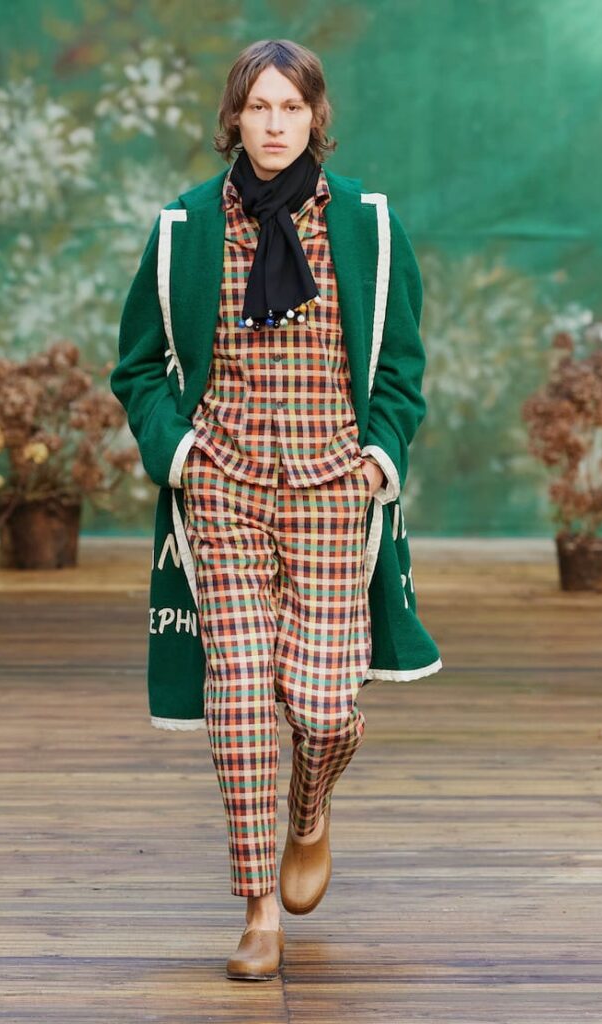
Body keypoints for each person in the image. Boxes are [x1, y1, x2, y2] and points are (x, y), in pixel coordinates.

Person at [111, 37, 441, 981]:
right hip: (224, 486)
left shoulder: (369, 226)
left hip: (334, 487)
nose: (273, 124)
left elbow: (401, 365)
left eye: (290, 107)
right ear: (233, 117)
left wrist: (377, 460)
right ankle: (258, 910)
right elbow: (137, 366)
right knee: (242, 695)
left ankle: (309, 808)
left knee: (326, 709)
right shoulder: (186, 226)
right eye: (257, 106)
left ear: (314, 118)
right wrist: (181, 455)